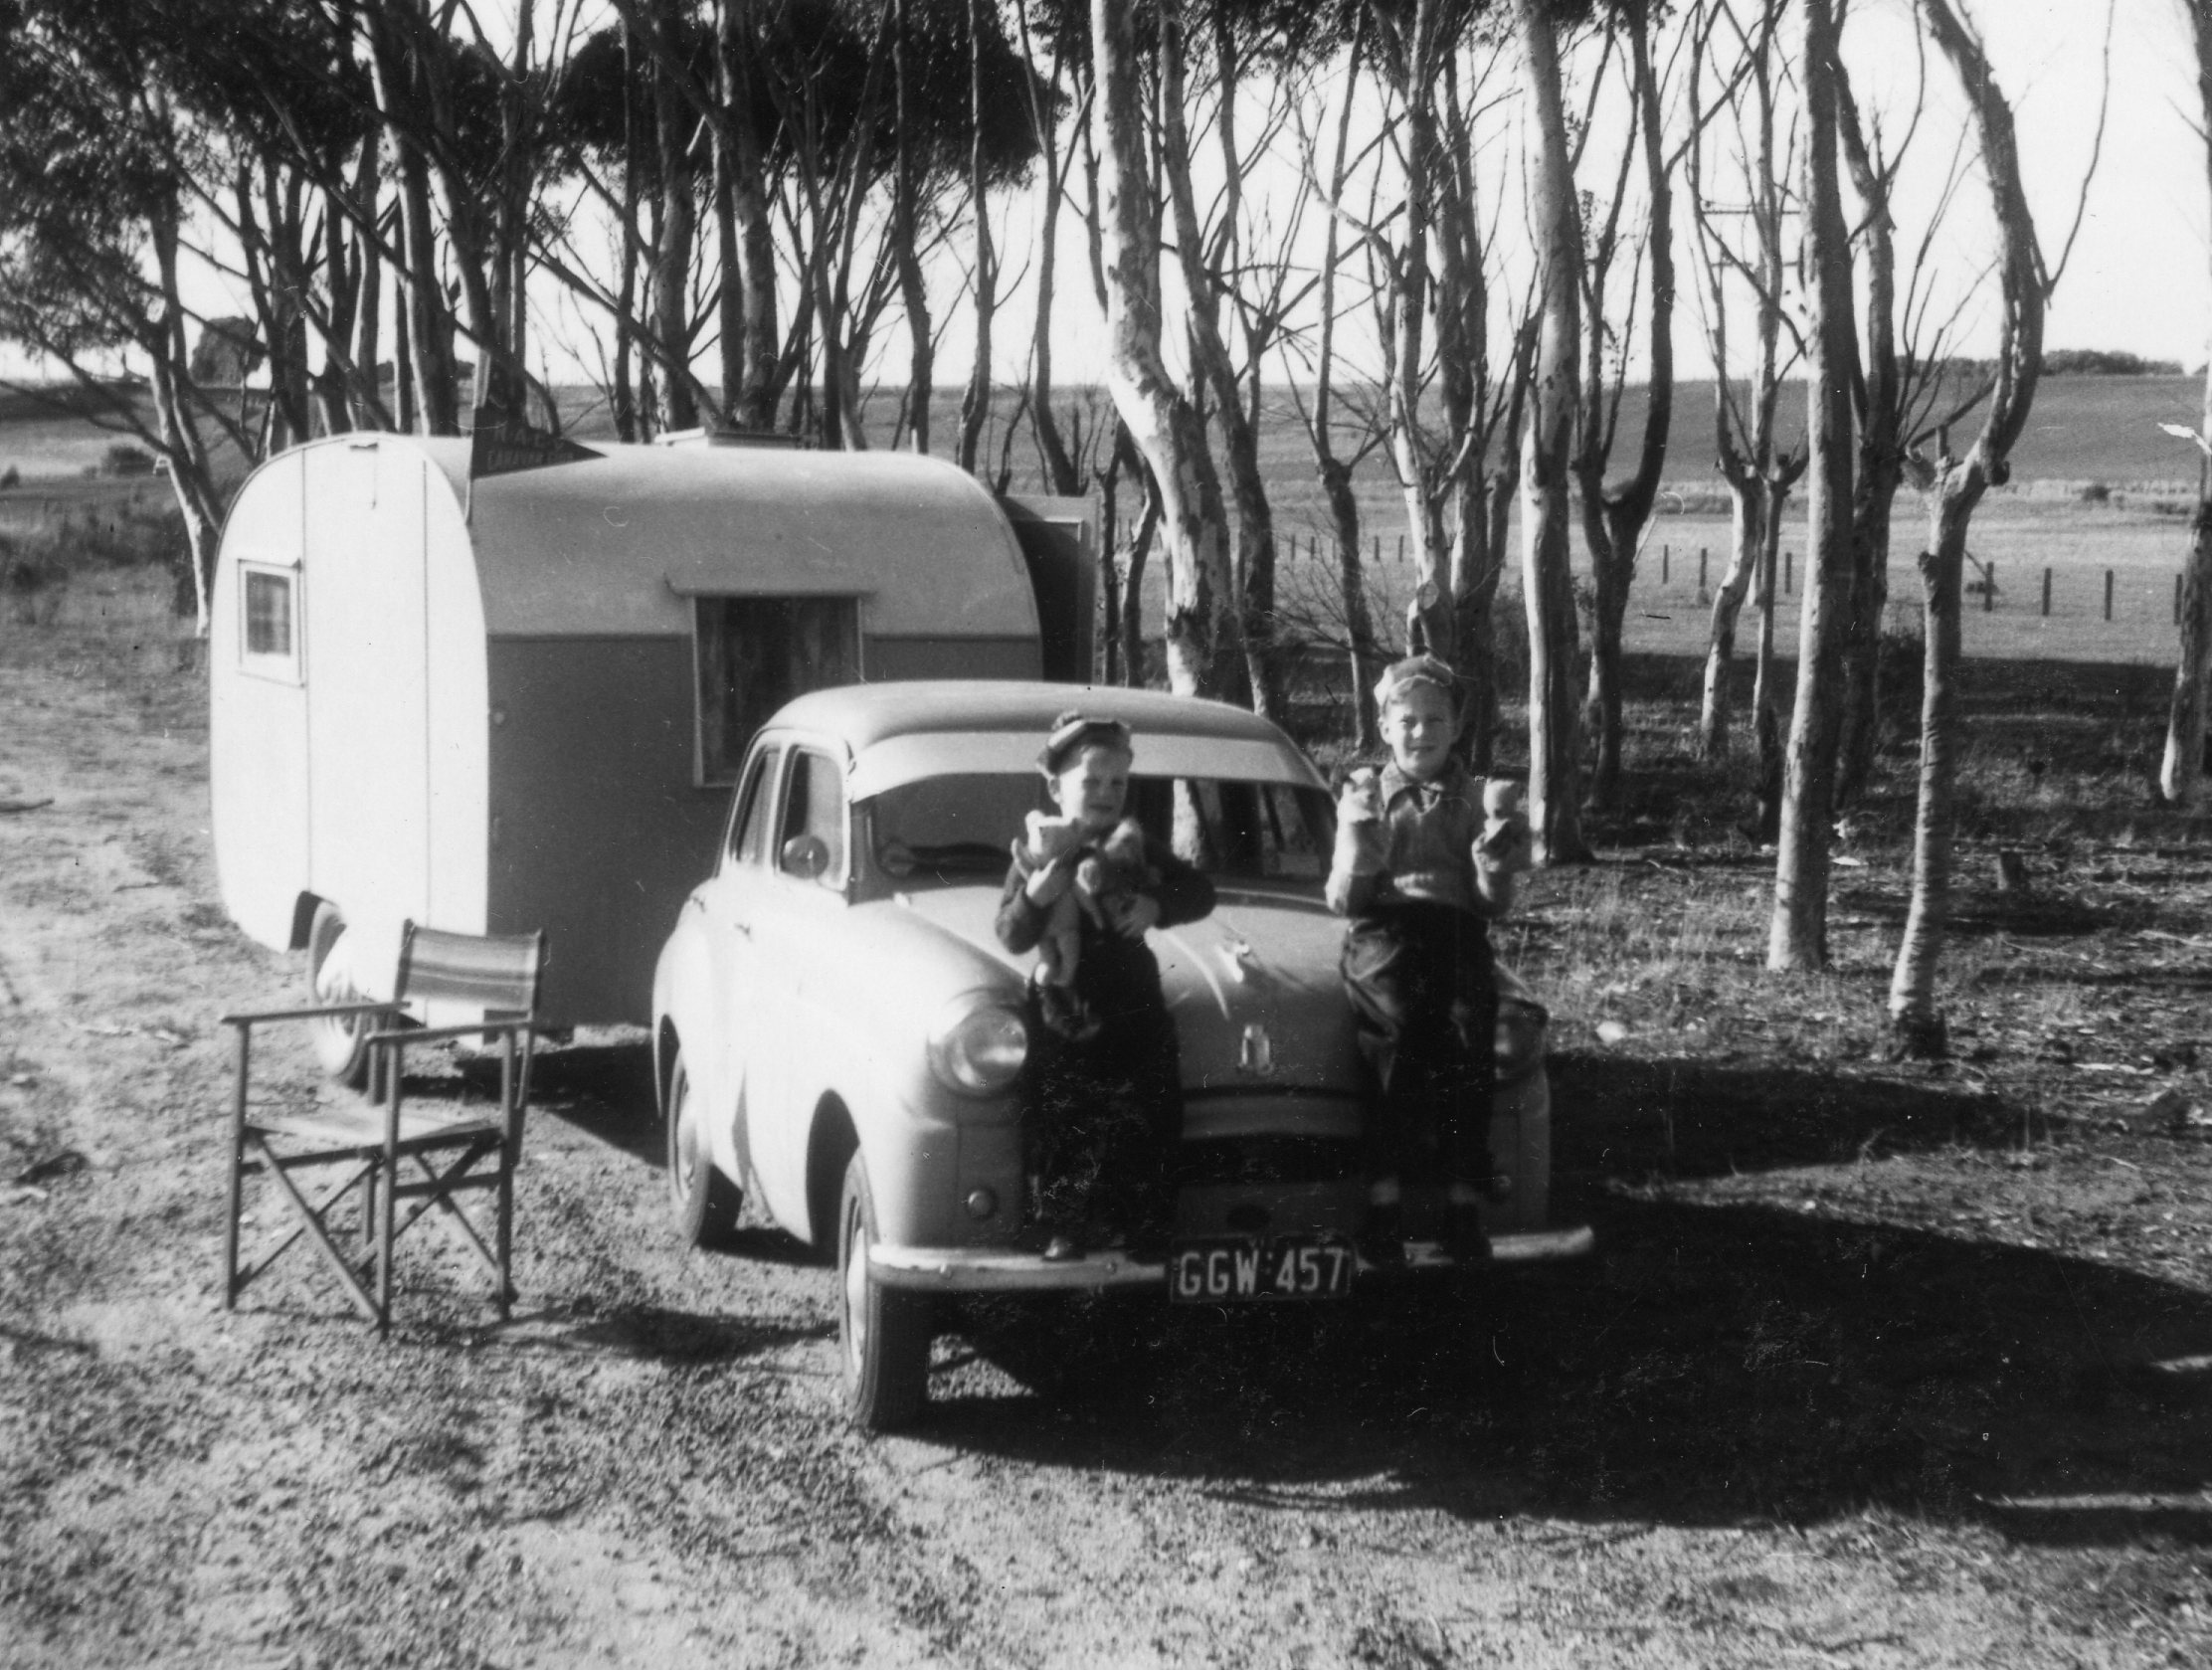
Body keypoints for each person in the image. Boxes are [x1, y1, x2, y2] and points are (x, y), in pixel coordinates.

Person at [1326, 655, 1532, 1263]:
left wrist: (1495, 858)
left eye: (1434, 719)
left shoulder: (1474, 800)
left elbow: (1492, 906)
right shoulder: (1366, 794)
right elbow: (1344, 899)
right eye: (1408, 721)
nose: (1421, 732)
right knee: (1396, 1030)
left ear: (1457, 726)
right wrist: (1360, 849)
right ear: (1385, 728)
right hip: (1383, 930)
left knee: (1472, 1035)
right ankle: (1384, 1205)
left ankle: (1462, 1206)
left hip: (1456, 932)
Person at [996, 712, 1215, 1260]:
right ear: (1055, 787)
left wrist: (1155, 905)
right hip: (1063, 1007)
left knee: (1148, 1111)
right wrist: (1037, 897)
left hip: (1132, 999)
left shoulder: (1134, 846)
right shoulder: (1037, 851)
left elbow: (1200, 891)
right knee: (1063, 1117)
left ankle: (1144, 1224)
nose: (1104, 793)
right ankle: (1064, 1226)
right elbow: (1010, 934)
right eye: (1089, 781)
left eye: (1117, 782)